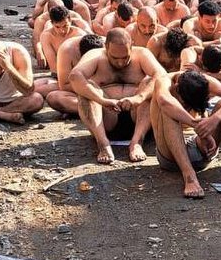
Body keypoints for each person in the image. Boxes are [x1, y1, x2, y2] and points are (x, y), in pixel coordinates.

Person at [151, 68, 221, 198]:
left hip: (201, 146)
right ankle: (189, 177)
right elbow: (164, 101)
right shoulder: (164, 81)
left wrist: (215, 119)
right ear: (177, 87)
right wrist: (197, 126)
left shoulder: (203, 81)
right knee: (168, 110)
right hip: (169, 154)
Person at [69, 28, 166, 164]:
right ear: (106, 47)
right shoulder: (95, 55)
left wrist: (139, 98)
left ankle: (136, 143)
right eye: (114, 58)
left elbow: (161, 75)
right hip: (107, 118)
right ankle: (103, 144)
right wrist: (102, 100)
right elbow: (74, 77)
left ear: (131, 46)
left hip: (138, 116)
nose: (120, 62)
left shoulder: (142, 54)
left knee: (150, 82)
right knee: (87, 89)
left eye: (125, 57)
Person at [44, 33, 105, 116]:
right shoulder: (67, 50)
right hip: (82, 92)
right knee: (54, 97)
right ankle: (101, 109)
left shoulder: (112, 47)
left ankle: (98, 110)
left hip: (108, 92)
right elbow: (64, 85)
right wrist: (88, 87)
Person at [37, 5, 85, 73]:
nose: (62, 31)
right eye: (57, 27)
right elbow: (54, 68)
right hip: (58, 72)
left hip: (78, 71)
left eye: (65, 26)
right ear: (52, 23)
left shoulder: (79, 34)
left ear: (70, 21)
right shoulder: (46, 36)